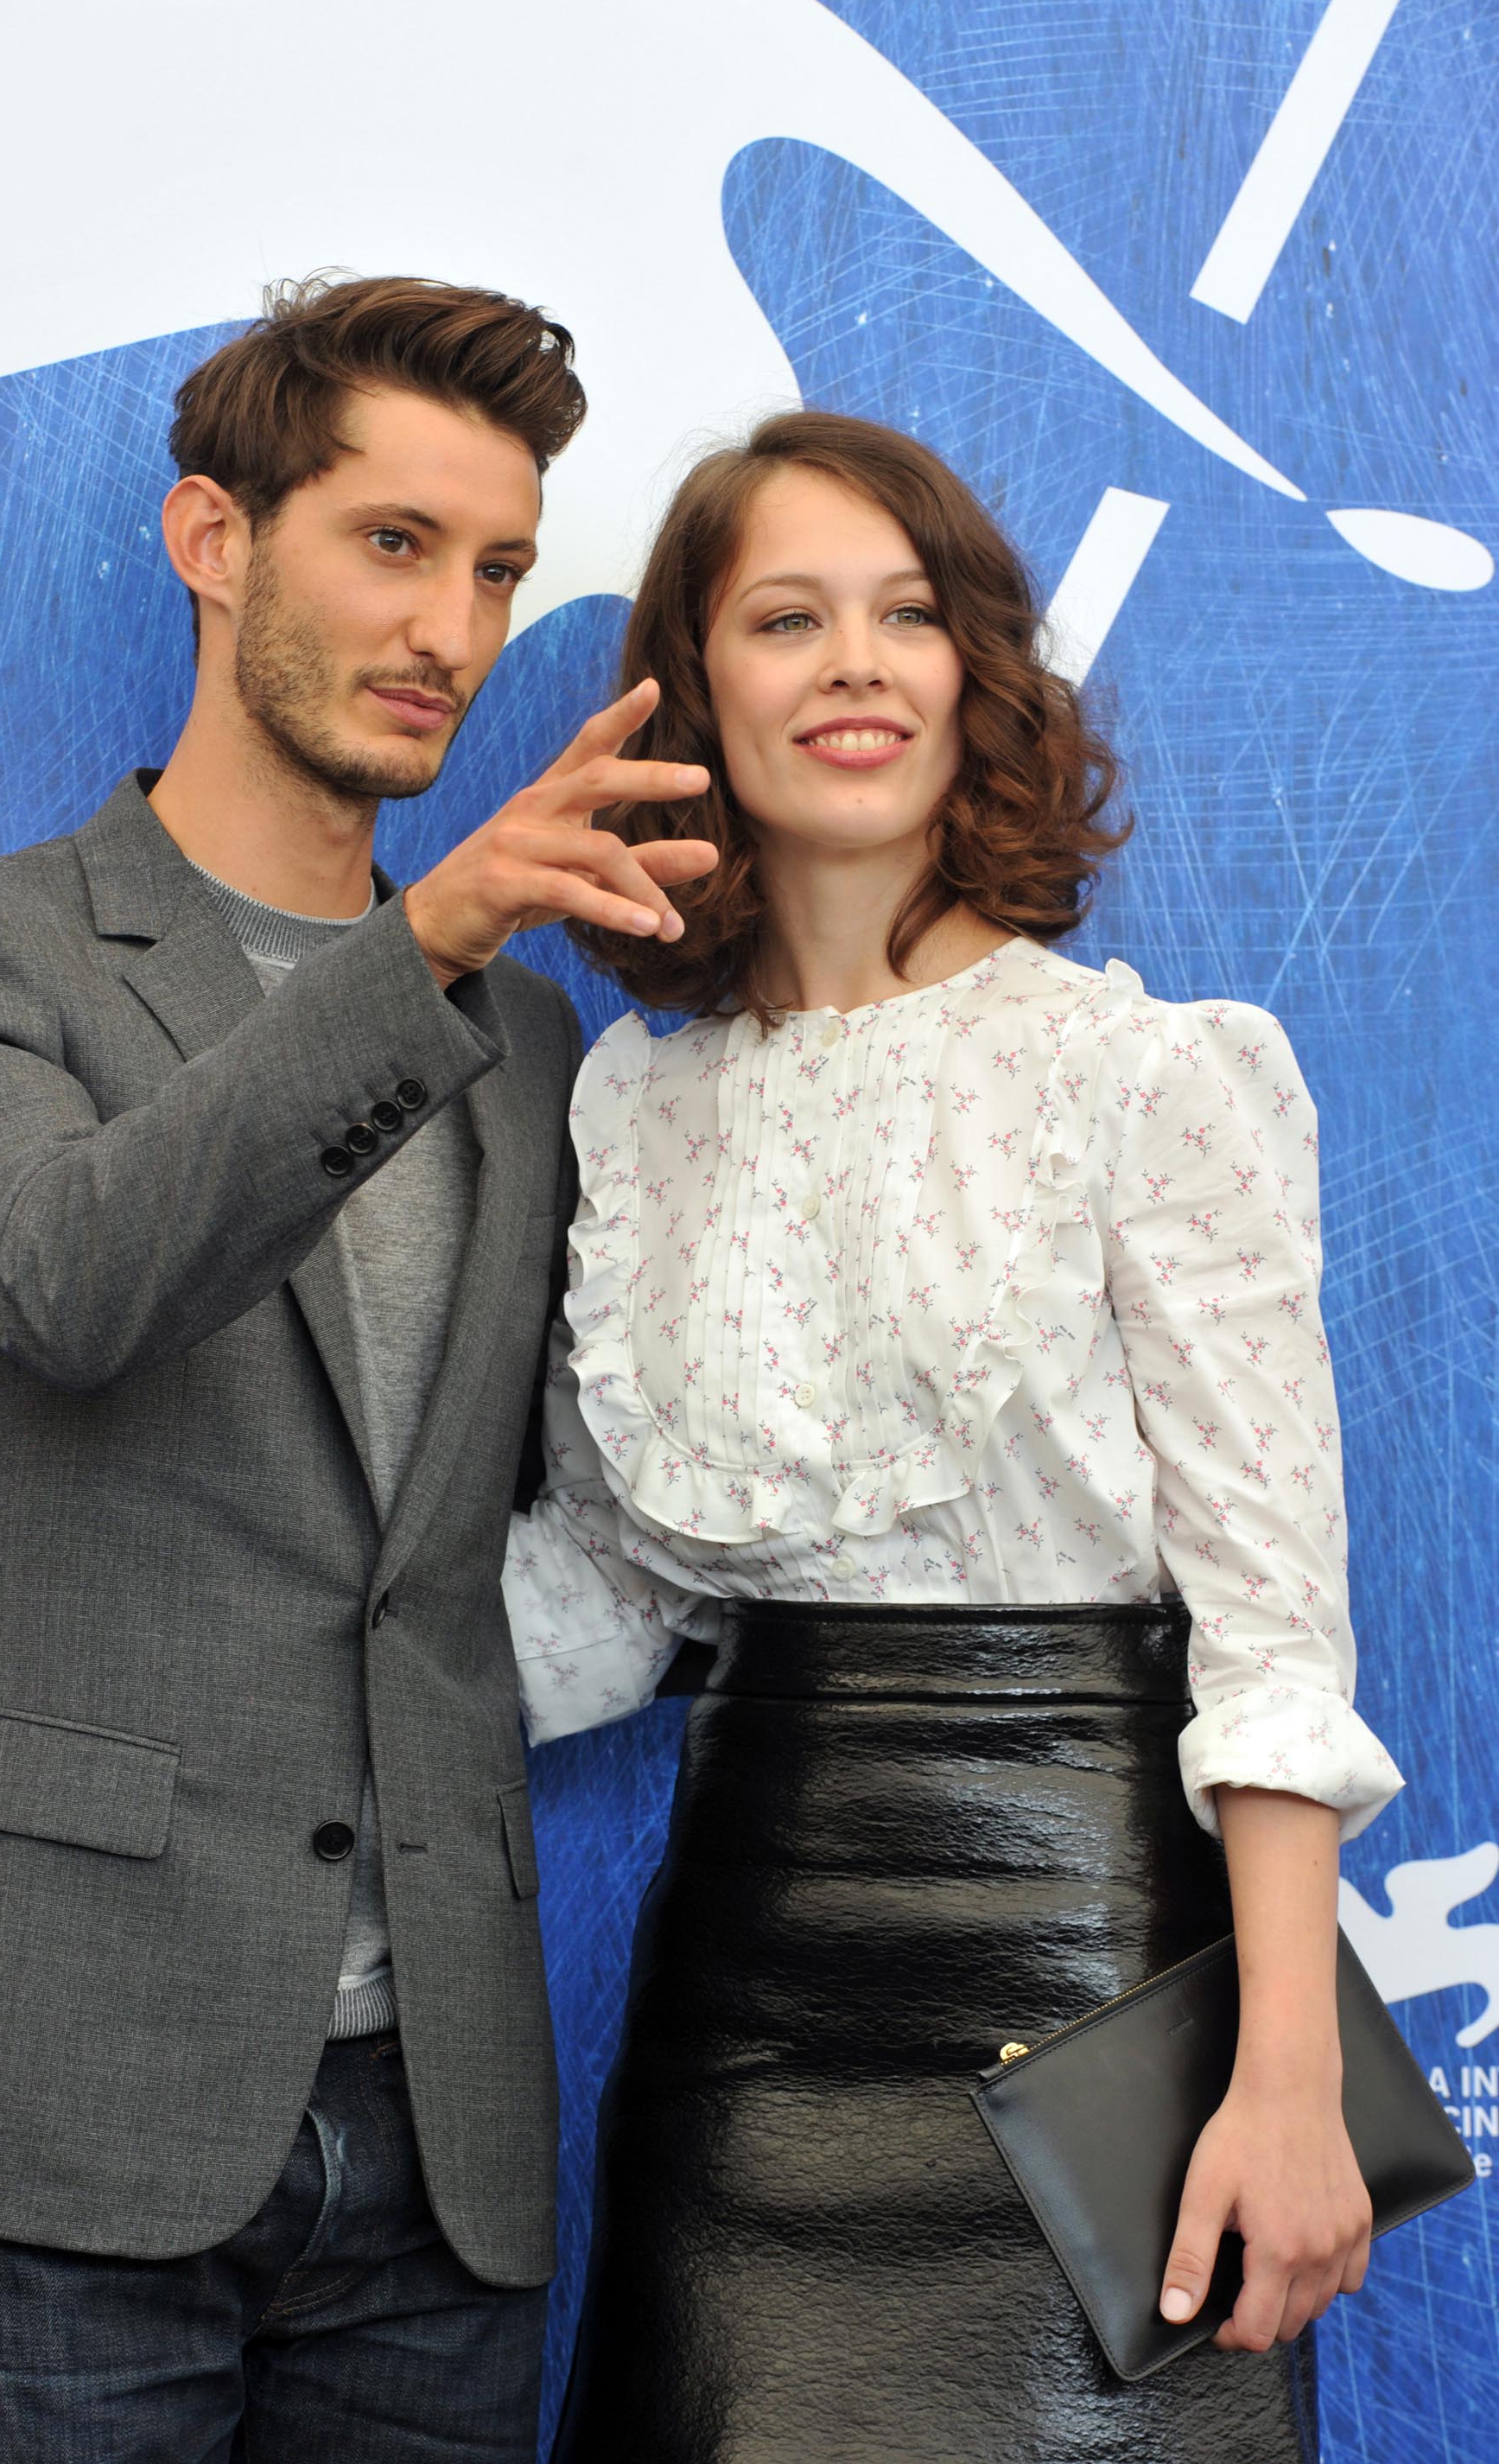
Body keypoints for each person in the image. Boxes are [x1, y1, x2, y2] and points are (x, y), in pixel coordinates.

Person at [0, 272, 715, 2464]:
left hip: (443, 2137)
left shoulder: (532, 1046)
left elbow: (575, 1510)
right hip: (64, 2094)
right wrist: (438, 940)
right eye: (392, 545)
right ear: (216, 542)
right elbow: (76, 1277)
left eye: (497, 572)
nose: (457, 635)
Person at [503, 410, 1403, 2463]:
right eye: (787, 616)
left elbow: (1272, 1639)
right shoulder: (629, 1106)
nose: (854, 663)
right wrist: (256, 1622)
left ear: (975, 678)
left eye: (908, 616)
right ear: (689, 689)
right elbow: (612, 1596)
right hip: (747, 2004)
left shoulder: (1156, 1078)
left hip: (1103, 1972)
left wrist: (1285, 2080)